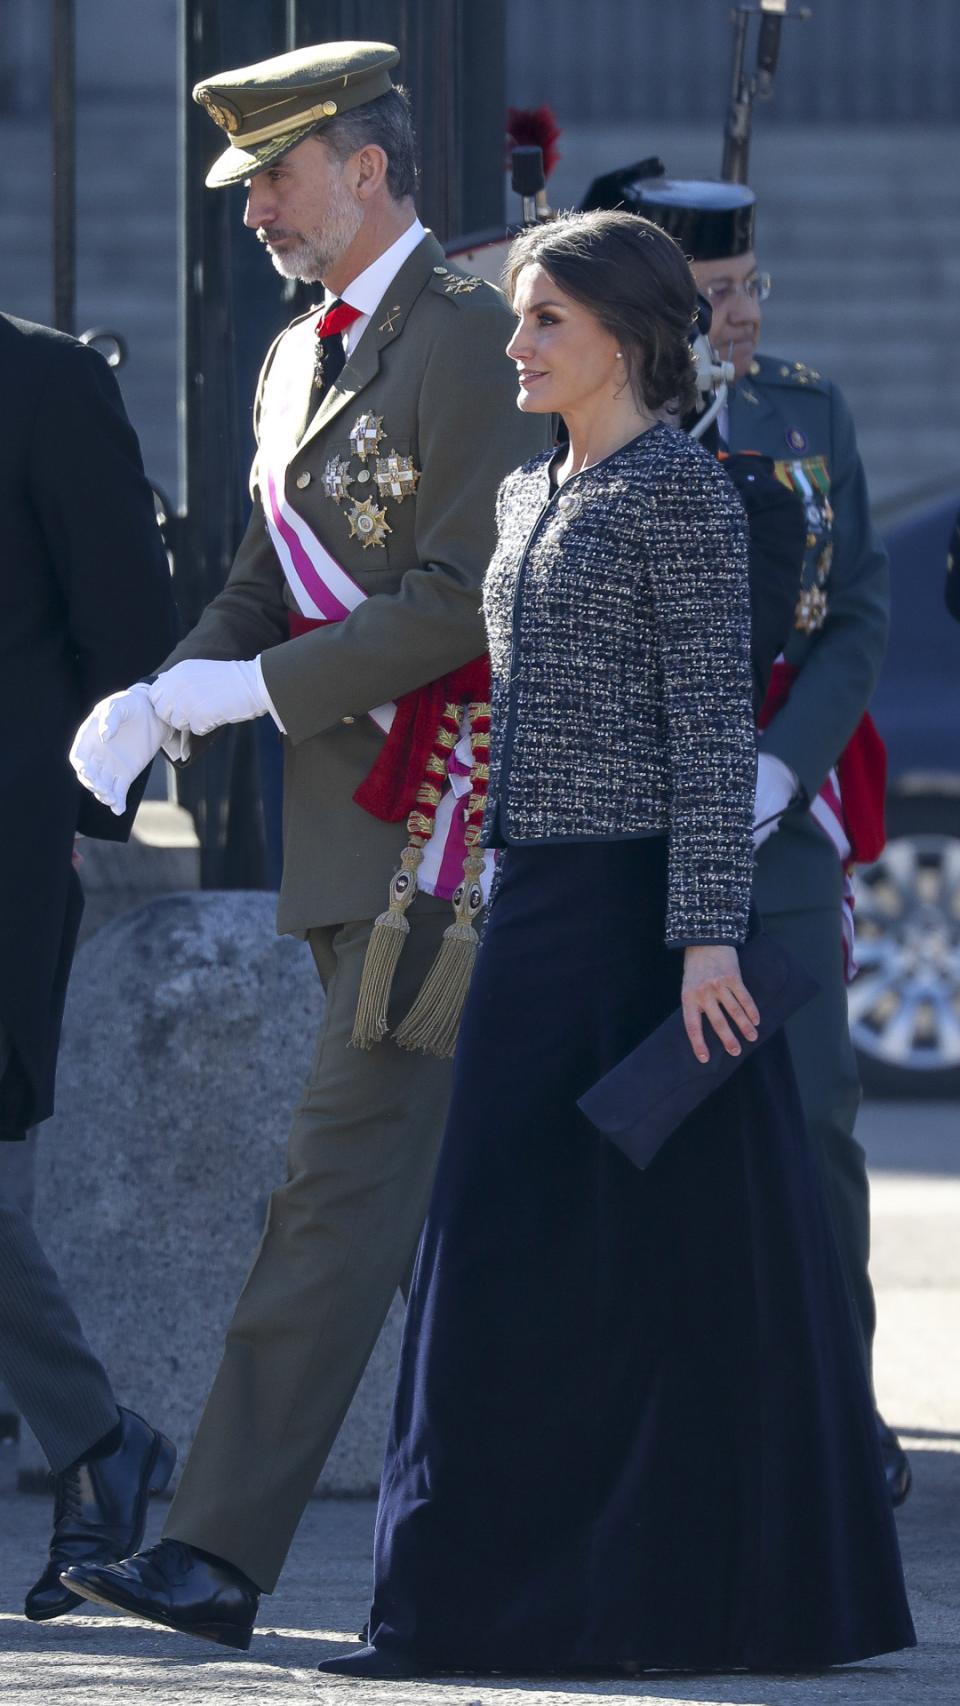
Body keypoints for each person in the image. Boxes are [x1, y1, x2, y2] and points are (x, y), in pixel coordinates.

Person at [315, 209, 914, 1680]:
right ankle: (465, 1597)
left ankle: (652, 1596)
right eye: (517, 319)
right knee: (498, 1250)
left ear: (632, 343)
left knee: (676, 1269)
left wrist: (709, 942)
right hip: (535, 910)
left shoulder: (688, 500)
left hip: (651, 925)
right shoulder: (529, 496)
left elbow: (714, 736)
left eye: (544, 325)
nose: (514, 346)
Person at [61, 41, 548, 1648]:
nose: (257, 206)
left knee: (336, 1194)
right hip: (348, 842)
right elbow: (269, 578)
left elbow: (452, 597)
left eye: (277, 172)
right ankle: (547, 1526)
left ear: (373, 168)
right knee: (429, 1209)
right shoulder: (293, 360)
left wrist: (243, 688)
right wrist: (166, 696)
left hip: (447, 837)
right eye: (249, 182)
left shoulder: (468, 345)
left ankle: (212, 1551)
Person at [581, 164, 909, 1504]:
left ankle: (840, 1399)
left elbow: (862, 611)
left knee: (817, 1109)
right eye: (715, 293)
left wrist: (779, 772)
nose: (742, 316)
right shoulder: (597, 425)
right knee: (647, 1120)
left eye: (750, 285)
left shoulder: (804, 410)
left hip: (777, 830)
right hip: (626, 823)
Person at [0, 312, 179, 1620]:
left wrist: (76, 819)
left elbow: (128, 621)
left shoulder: (49, 383)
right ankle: (97, 1442)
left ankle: (95, 1439)